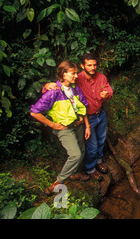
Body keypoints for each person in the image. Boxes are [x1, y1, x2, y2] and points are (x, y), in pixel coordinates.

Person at [43, 53, 113, 181]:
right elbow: (61, 85)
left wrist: (106, 94)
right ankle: (90, 168)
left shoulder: (101, 77)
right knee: (91, 146)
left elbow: (109, 90)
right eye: (89, 65)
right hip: (88, 117)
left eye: (95, 65)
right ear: (82, 65)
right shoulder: (76, 78)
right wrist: (47, 85)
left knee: (101, 140)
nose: (93, 67)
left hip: (100, 114)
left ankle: (99, 161)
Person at [30, 61, 91, 196]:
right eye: (73, 73)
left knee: (81, 150)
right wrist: (52, 124)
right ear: (64, 74)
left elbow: (83, 105)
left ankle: (74, 174)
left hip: (78, 125)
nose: (76, 76)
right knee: (76, 154)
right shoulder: (53, 92)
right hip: (64, 128)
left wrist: (86, 125)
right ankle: (57, 183)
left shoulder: (75, 88)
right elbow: (34, 112)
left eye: (76, 73)